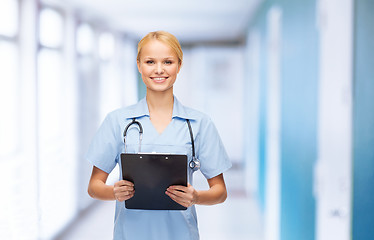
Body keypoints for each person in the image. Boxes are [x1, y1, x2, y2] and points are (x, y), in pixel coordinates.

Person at [86, 30, 232, 240]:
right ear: (139, 65)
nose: (159, 70)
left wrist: (196, 196)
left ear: (179, 66)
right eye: (150, 62)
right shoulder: (117, 121)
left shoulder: (200, 124)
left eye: (168, 62)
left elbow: (220, 191)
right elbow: (94, 187)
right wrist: (114, 192)